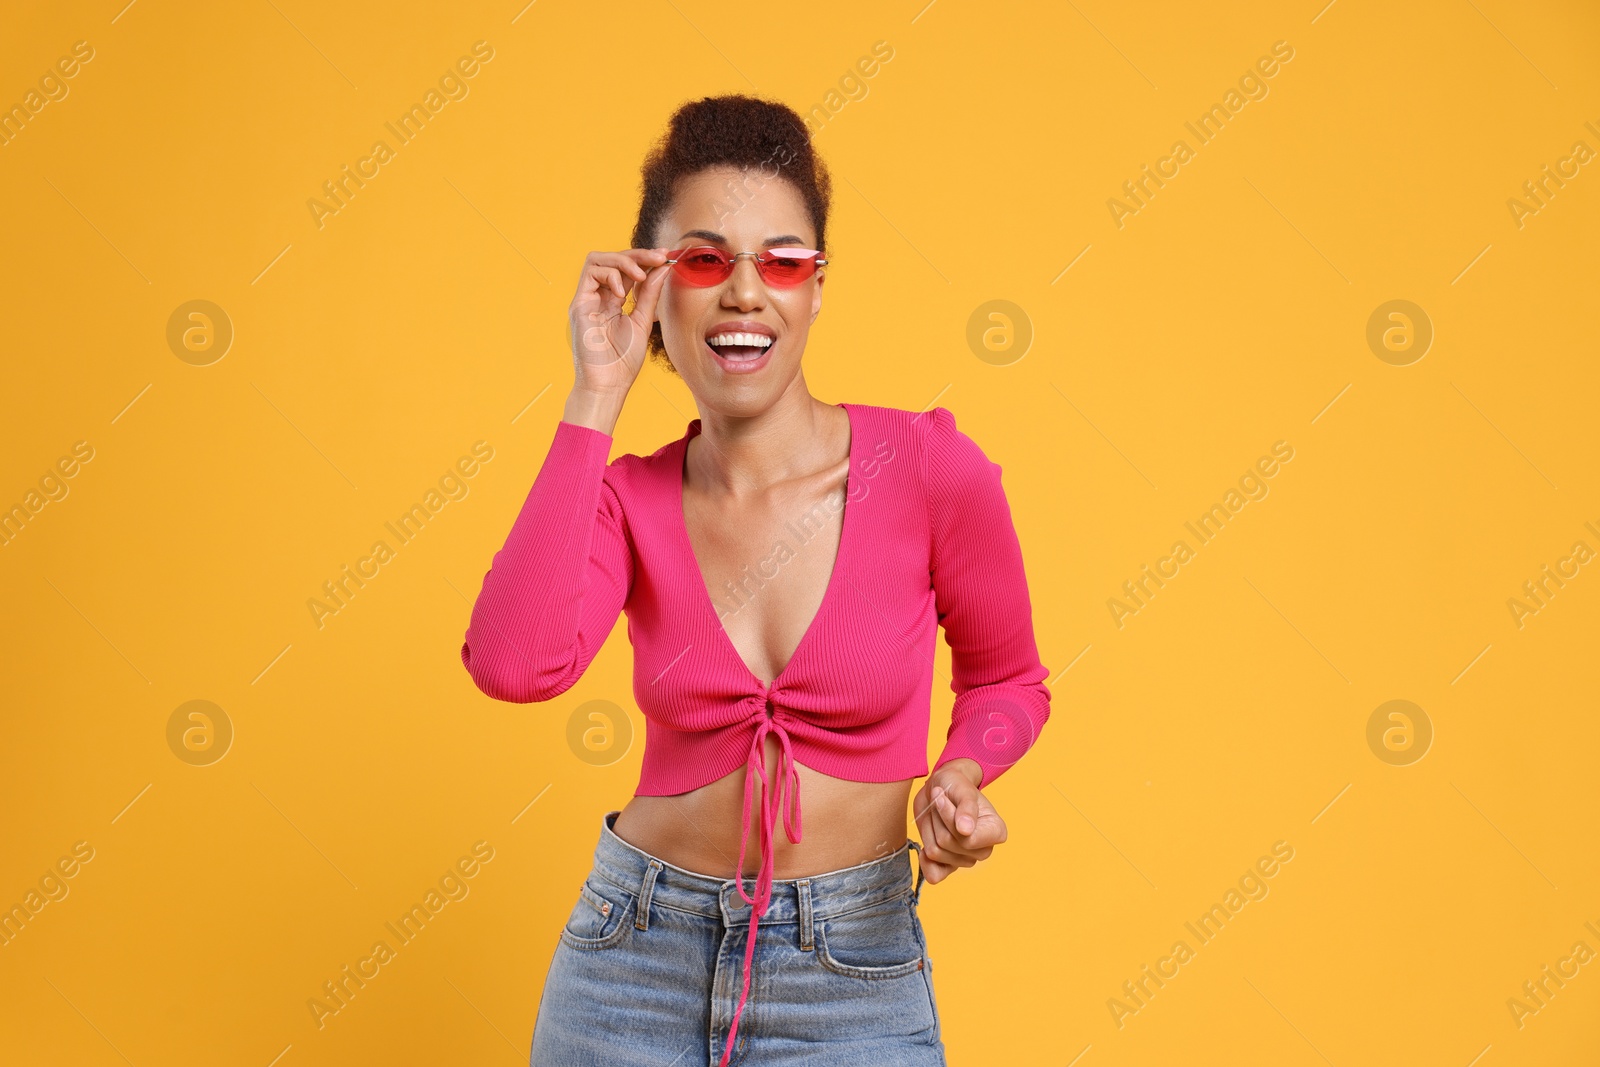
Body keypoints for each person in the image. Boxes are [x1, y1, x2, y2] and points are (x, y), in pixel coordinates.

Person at [460, 93, 1051, 1066]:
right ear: (654, 290)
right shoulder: (623, 500)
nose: (744, 291)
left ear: (818, 286)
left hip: (851, 968)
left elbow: (1006, 678)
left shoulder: (931, 470)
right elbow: (514, 665)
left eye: (781, 259)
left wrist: (960, 769)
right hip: (628, 962)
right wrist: (592, 396)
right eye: (703, 259)